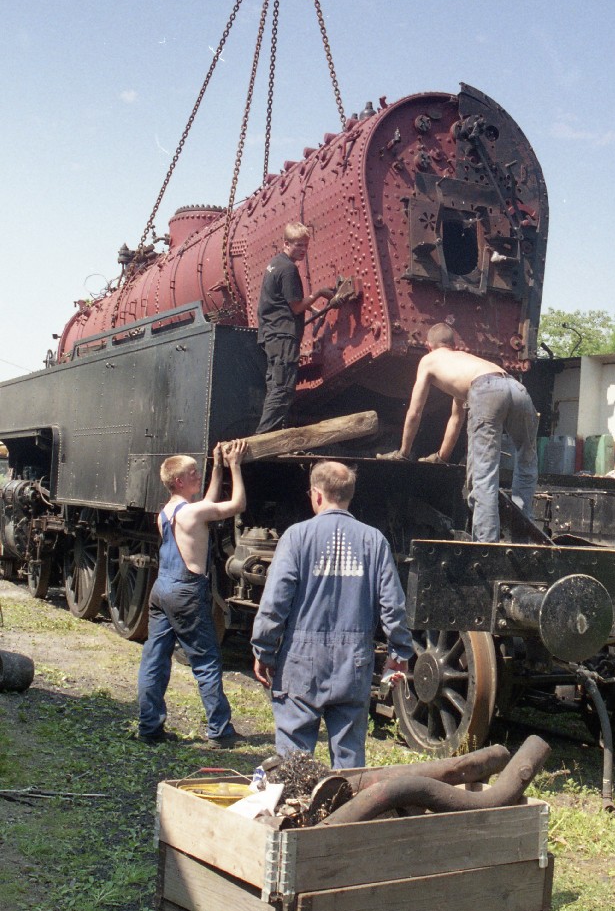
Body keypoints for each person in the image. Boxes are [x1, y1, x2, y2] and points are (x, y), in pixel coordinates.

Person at [251, 460, 413, 769]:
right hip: (354, 662)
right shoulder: (374, 541)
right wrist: (400, 651)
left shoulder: (296, 537)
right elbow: (393, 604)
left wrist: (264, 649)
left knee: (294, 763)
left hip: (301, 660)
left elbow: (275, 602)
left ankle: (296, 811)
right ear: (350, 495)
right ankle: (347, 813)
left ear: (316, 494)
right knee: (350, 763)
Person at [381, 322, 539, 543]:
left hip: (487, 391)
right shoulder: (468, 363)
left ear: (429, 346)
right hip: (517, 389)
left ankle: (487, 545)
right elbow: (456, 418)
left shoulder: (428, 360)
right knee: (527, 459)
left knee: (484, 472)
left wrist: (403, 452)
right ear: (453, 345)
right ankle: (524, 537)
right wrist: (441, 457)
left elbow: (415, 411)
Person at [136, 440, 248, 745]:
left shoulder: (168, 512)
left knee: (155, 658)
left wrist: (217, 466)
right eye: (193, 473)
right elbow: (236, 505)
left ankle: (149, 728)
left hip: (162, 589)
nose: (198, 475)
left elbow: (208, 504)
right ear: (179, 481)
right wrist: (235, 466)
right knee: (206, 660)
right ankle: (220, 731)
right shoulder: (191, 514)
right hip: (186, 592)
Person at [255, 222, 334, 434]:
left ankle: (267, 435)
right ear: (285, 243)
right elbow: (296, 307)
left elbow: (284, 302)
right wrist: (318, 293)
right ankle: (262, 438)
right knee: (283, 389)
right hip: (283, 335)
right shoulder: (289, 269)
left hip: (271, 334)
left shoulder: (275, 264)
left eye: (306, 245)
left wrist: (310, 304)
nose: (303, 250)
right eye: (299, 245)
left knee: (275, 386)